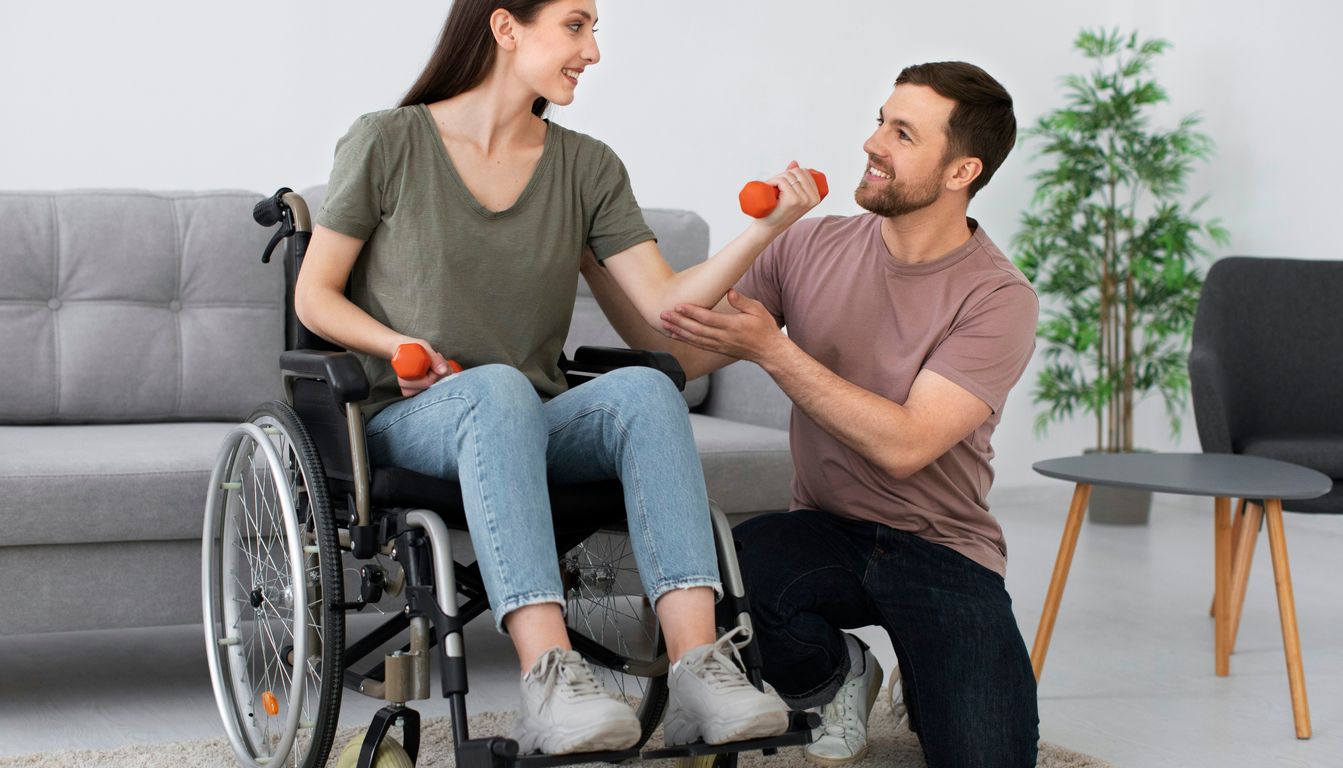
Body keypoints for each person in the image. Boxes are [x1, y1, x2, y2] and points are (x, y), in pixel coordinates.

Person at [293, 0, 823, 756]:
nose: (595, 51)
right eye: (576, 25)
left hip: (530, 417)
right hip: (410, 419)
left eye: (594, 29)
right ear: (506, 27)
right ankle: (549, 677)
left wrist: (766, 230)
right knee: (499, 385)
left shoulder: (587, 165)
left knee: (644, 388)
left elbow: (662, 305)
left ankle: (702, 672)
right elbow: (315, 294)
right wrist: (395, 341)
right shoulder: (390, 140)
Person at [581, 62, 1040, 766]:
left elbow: (907, 445)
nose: (873, 142)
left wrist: (774, 350)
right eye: (881, 119)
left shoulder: (997, 296)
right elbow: (679, 352)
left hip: (943, 549)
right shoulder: (809, 244)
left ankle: (930, 674)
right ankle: (836, 675)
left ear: (961, 171)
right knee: (717, 582)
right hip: (822, 533)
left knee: (987, 755)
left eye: (903, 132)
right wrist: (593, 262)